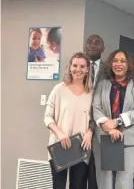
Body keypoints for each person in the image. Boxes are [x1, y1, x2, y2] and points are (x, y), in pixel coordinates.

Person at [92, 49, 134, 189]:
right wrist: (108, 126)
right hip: (104, 137)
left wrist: (117, 121)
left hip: (129, 140)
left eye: (123, 61)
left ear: (129, 64)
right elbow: (96, 107)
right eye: (115, 60)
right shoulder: (102, 84)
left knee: (124, 182)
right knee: (104, 180)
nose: (118, 64)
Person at [43, 52, 94, 189]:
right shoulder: (59, 89)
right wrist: (59, 133)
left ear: (87, 69)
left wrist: (89, 133)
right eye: (75, 65)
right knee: (58, 186)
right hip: (60, 146)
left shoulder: (92, 93)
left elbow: (95, 119)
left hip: (81, 148)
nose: (78, 69)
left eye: (82, 66)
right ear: (70, 68)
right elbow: (47, 116)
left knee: (78, 186)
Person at [85, 34, 106, 189]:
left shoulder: (109, 70)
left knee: (96, 174)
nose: (92, 45)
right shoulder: (78, 67)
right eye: (89, 42)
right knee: (78, 173)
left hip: (100, 127)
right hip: (79, 127)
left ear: (103, 49)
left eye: (97, 43)